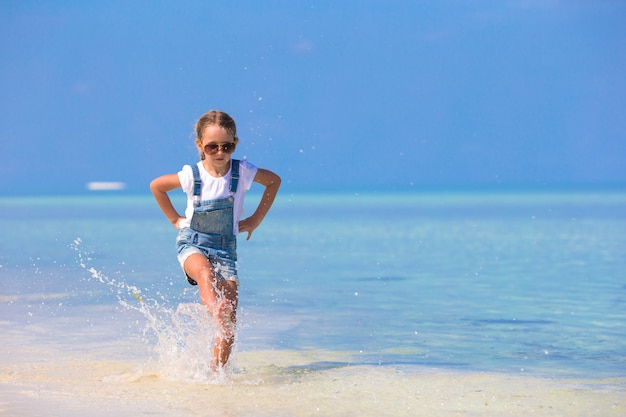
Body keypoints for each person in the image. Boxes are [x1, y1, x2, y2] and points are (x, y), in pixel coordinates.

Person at [150, 110, 281, 369]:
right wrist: (175, 220)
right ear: (200, 145)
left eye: (227, 146)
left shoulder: (242, 171)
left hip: (225, 249)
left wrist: (255, 220)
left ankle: (216, 374)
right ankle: (213, 308)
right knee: (205, 272)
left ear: (235, 144)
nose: (220, 152)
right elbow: (157, 186)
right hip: (193, 243)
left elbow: (274, 182)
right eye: (212, 147)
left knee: (230, 317)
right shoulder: (192, 175)